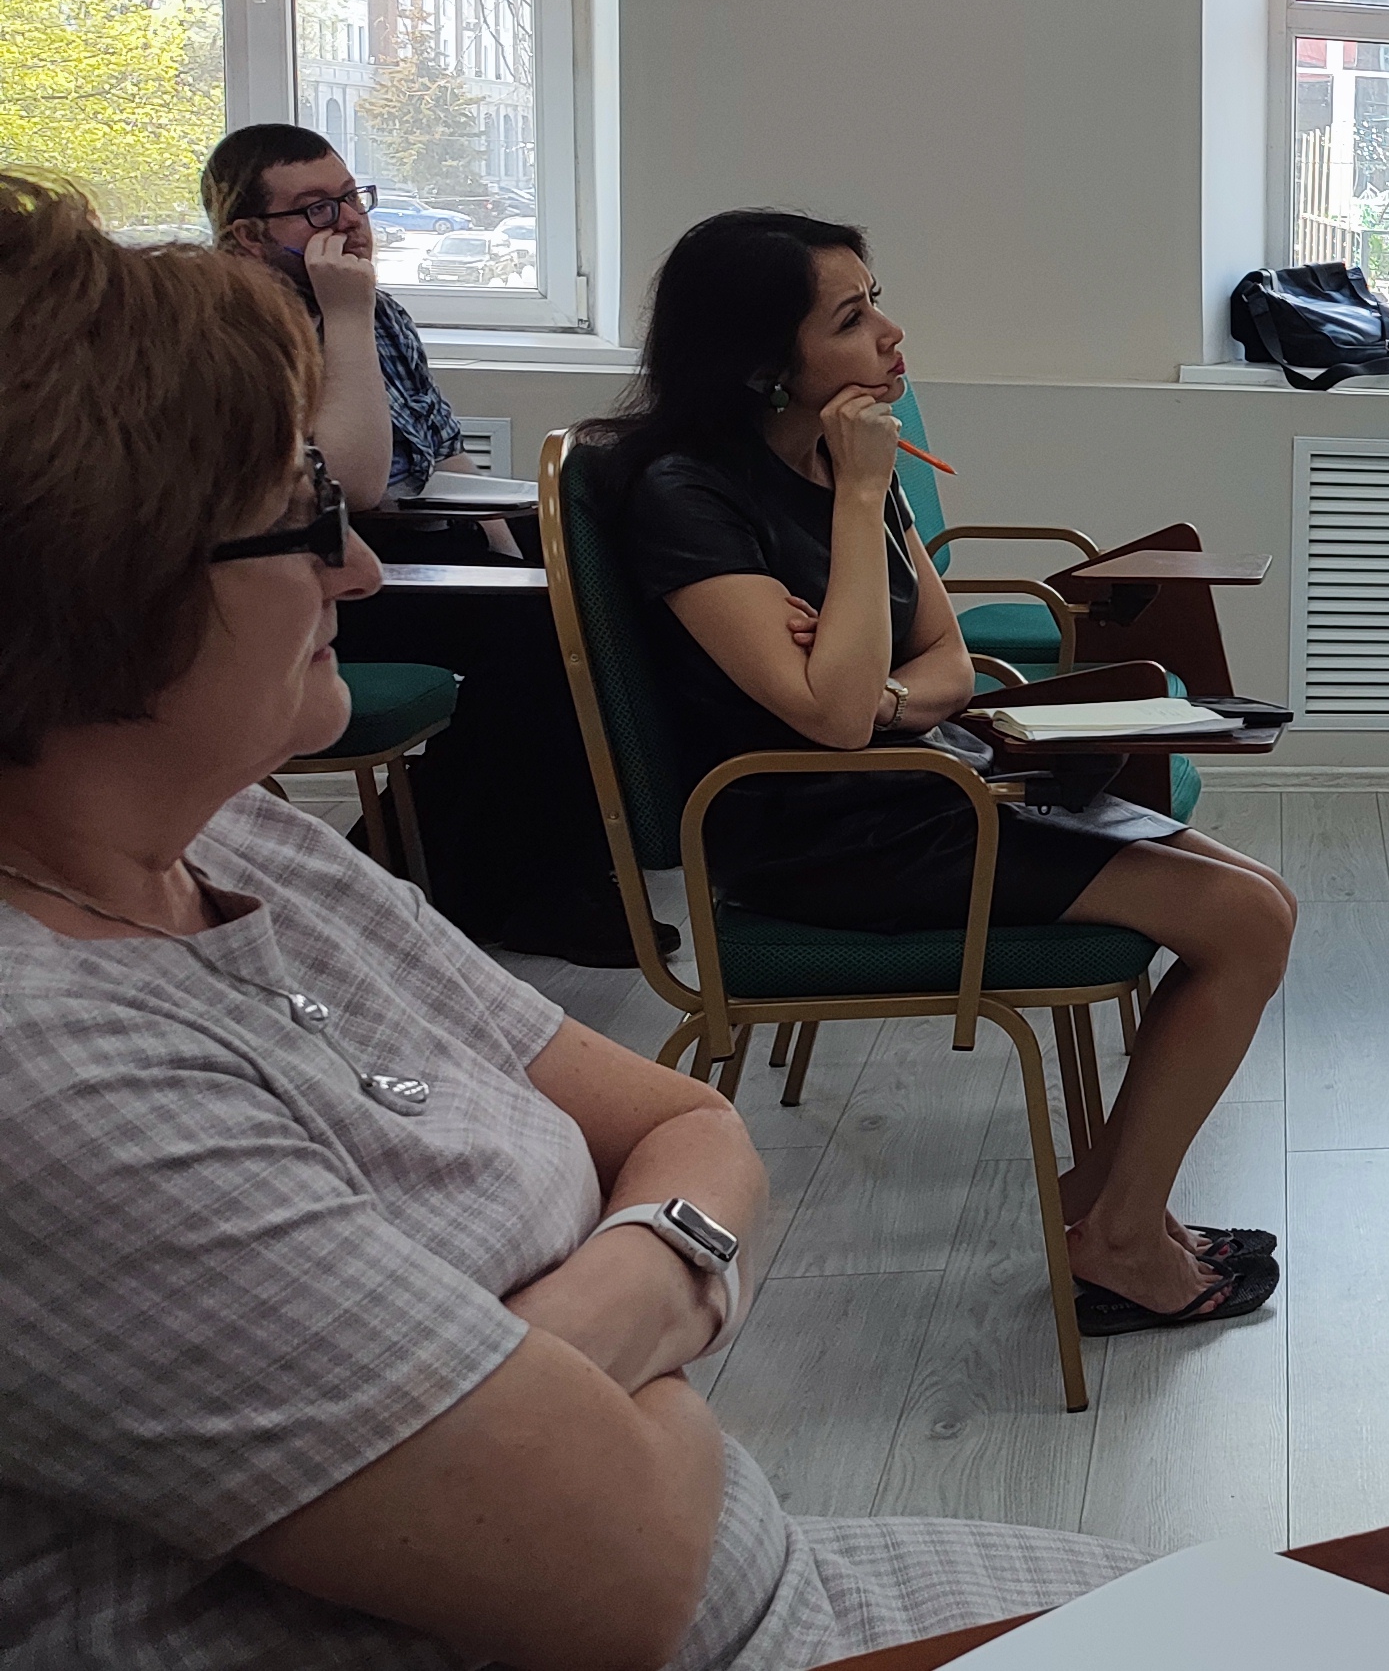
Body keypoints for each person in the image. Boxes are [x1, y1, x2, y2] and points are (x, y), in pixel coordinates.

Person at [0, 169, 1146, 1669]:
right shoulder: (50, 1075)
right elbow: (642, 1567)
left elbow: (692, 1126)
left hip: (781, 1577)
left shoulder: (246, 842)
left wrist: (547, 1361)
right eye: (302, 518)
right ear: (104, 587)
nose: (359, 565)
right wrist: (655, 1307)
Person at [592, 209, 1297, 1333]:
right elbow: (828, 724)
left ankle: (1104, 1205)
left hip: (918, 784)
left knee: (1261, 902)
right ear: (764, 361)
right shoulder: (691, 496)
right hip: (822, 836)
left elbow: (947, 665)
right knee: (1245, 922)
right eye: (850, 317)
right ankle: (1119, 1234)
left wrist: (870, 684)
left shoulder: (836, 460)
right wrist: (859, 538)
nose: (891, 333)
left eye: (875, 301)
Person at [205, 123, 461, 513]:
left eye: (351, 197)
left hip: (432, 531)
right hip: (341, 541)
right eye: (318, 208)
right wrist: (347, 318)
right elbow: (349, 489)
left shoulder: (381, 311)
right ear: (251, 237)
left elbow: (446, 457)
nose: (351, 219)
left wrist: (520, 549)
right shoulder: (232, 334)